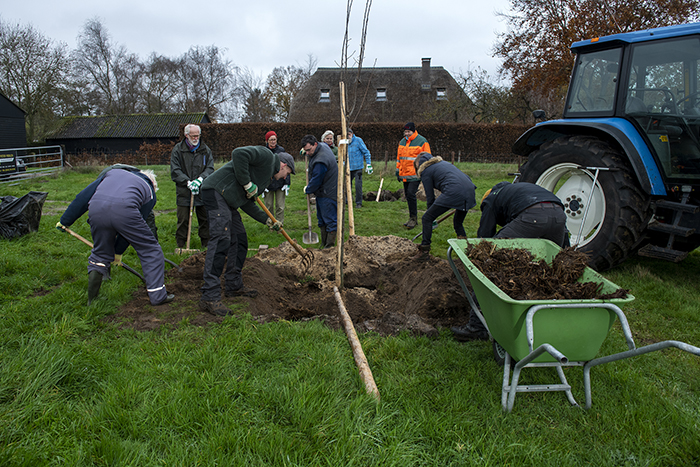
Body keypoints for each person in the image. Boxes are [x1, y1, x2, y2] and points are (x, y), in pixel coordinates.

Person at [451, 181, 569, 342]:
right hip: (559, 215)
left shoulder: (491, 198)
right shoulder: (521, 191)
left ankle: (476, 327)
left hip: (531, 216)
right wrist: (565, 255)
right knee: (551, 269)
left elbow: (485, 238)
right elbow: (562, 241)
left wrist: (479, 259)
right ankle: (555, 319)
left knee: (489, 267)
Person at [198, 146, 296, 316]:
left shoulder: (266, 179)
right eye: (288, 172)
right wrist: (247, 183)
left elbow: (248, 202)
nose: (286, 176)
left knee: (240, 239)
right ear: (283, 165)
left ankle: (233, 285)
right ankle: (209, 296)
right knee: (221, 239)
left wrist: (267, 220)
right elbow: (238, 153)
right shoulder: (266, 157)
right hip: (215, 191)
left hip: (229, 201)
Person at [56, 165, 174, 306]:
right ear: (153, 184)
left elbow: (82, 198)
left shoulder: (112, 173)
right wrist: (118, 252)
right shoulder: (149, 191)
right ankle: (158, 296)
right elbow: (132, 230)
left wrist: (65, 221)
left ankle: (92, 300)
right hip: (125, 210)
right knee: (150, 250)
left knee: (99, 254)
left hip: (96, 209)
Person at [412, 152, 476, 260]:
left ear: (419, 165)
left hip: (454, 191)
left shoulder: (426, 171)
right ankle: (467, 249)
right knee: (458, 222)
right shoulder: (444, 164)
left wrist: (430, 216)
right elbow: (465, 177)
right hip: (469, 191)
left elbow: (430, 196)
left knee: (426, 218)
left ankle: (424, 251)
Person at [170, 124, 215, 249]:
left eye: (198, 135)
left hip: (202, 190)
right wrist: (187, 182)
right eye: (193, 136)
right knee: (183, 220)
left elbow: (210, 168)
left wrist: (200, 179)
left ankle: (206, 244)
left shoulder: (205, 150)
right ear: (186, 135)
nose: (196, 138)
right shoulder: (178, 150)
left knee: (205, 219)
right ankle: (181, 245)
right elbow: (175, 170)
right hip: (184, 191)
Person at [301, 134, 338, 249]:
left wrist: (308, 189)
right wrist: (305, 151)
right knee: (322, 219)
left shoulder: (320, 161)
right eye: (305, 150)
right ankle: (324, 243)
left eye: (309, 150)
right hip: (324, 190)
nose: (307, 153)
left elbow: (317, 179)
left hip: (328, 191)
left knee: (329, 219)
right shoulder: (322, 146)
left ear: (315, 144)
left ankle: (329, 246)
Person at [397, 122, 431, 229]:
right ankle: (412, 218)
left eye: (408, 131)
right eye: (405, 131)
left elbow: (427, 158)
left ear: (413, 131)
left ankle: (413, 218)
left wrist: (424, 171)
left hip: (415, 174)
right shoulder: (402, 141)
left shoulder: (422, 141)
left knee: (411, 193)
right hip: (404, 174)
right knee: (408, 195)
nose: (406, 134)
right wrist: (398, 170)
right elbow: (399, 157)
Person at [262, 131, 291, 224]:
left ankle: (279, 225)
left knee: (280, 206)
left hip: (280, 182)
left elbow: (286, 166)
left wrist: (286, 182)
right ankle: (271, 224)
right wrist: (261, 184)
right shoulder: (263, 151)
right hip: (267, 183)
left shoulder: (281, 150)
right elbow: (260, 168)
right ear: (267, 141)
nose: (273, 142)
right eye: (271, 140)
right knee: (268, 206)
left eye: (274, 139)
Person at [347, 128, 373, 209]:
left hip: (358, 167)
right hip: (347, 168)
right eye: (346, 135)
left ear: (352, 134)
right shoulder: (344, 142)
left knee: (358, 185)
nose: (348, 137)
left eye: (349, 134)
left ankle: (359, 202)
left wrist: (368, 164)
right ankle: (347, 201)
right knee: (347, 185)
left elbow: (366, 152)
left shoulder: (358, 141)